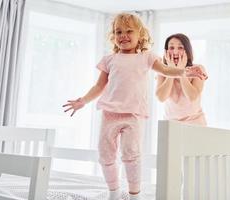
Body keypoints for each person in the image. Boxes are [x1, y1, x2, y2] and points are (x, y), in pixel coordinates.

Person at [63, 13, 206, 200]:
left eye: (129, 31)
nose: (123, 35)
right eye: (118, 32)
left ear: (140, 35)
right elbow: (99, 86)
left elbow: (166, 70)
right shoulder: (109, 59)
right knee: (105, 155)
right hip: (109, 113)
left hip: (133, 115)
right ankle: (113, 191)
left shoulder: (147, 57)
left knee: (131, 155)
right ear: (113, 36)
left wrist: (185, 70)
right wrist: (83, 100)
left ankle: (134, 194)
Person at [156, 33, 208, 126]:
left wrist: (181, 72)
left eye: (180, 48)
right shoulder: (162, 71)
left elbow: (192, 97)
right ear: (166, 52)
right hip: (170, 124)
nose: (175, 52)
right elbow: (161, 97)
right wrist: (172, 71)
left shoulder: (197, 69)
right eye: (171, 48)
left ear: (187, 51)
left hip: (195, 123)